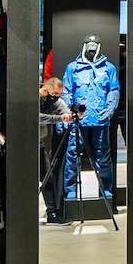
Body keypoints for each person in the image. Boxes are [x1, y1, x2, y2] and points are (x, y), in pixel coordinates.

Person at [39, 77, 74, 223]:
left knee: (47, 179)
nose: (56, 97)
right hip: (25, 145)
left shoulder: (54, 100)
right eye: (54, 93)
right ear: (46, 89)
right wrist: (59, 118)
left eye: (59, 94)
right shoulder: (34, 98)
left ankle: (52, 213)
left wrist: (70, 115)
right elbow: (38, 118)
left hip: (40, 145)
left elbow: (64, 109)